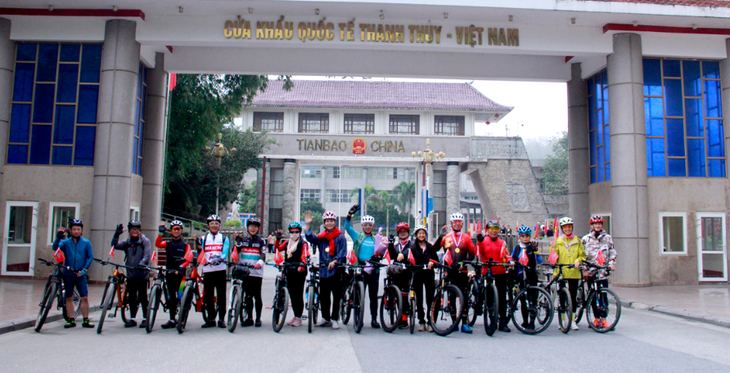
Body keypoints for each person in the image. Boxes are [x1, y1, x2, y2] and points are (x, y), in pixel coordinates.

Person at [344, 204, 387, 328]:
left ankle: (374, 319)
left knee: (373, 296)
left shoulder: (377, 238)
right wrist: (349, 215)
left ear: (373, 226)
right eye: (365, 225)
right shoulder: (358, 236)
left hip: (373, 269)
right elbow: (347, 227)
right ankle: (358, 318)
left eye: (370, 225)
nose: (368, 227)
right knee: (358, 296)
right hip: (360, 268)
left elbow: (382, 251)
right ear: (362, 226)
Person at [433, 212, 476, 333]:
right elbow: (435, 249)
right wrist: (440, 237)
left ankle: (465, 323)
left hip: (462, 271)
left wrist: (465, 263)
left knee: (464, 297)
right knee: (451, 297)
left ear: (462, 224)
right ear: (451, 224)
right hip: (449, 270)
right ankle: (454, 323)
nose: (457, 225)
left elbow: (472, 254)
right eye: (455, 223)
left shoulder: (466, 237)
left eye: (459, 223)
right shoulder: (447, 237)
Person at [304, 210, 347, 329]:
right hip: (324, 269)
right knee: (324, 295)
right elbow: (310, 238)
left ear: (335, 222)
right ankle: (325, 318)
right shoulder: (321, 237)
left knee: (336, 296)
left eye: (331, 221)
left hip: (336, 270)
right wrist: (307, 224)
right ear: (324, 223)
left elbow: (343, 252)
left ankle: (335, 318)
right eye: (327, 221)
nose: (329, 223)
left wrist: (335, 261)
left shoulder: (340, 236)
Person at [52, 219, 94, 328]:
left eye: (78, 229)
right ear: (70, 230)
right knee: (69, 297)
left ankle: (85, 319)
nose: (76, 231)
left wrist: (84, 269)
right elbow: (55, 248)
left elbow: (90, 257)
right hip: (68, 273)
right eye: (74, 229)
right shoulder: (66, 242)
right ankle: (70, 319)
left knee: (84, 297)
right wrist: (58, 237)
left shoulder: (86, 242)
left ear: (81, 231)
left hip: (80, 274)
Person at [111, 220, 152, 328]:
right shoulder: (128, 242)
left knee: (143, 297)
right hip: (131, 274)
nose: (134, 231)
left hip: (142, 274)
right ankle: (132, 318)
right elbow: (114, 246)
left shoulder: (145, 241)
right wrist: (116, 235)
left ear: (139, 230)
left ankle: (145, 318)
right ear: (129, 231)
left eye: (136, 229)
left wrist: (142, 263)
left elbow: (147, 255)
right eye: (132, 229)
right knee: (132, 297)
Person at [476, 220, 515, 333]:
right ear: (487, 230)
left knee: (502, 297)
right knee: (488, 295)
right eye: (491, 229)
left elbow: (507, 255)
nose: (493, 231)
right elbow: (477, 252)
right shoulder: (483, 241)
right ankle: (490, 317)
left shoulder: (502, 242)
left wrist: (510, 261)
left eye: (496, 229)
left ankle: (502, 321)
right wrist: (479, 241)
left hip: (500, 271)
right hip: (487, 271)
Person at [550, 216, 586, 331]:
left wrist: (578, 261)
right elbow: (553, 256)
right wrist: (553, 250)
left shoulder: (577, 241)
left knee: (573, 296)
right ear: (562, 229)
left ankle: (573, 320)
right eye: (565, 227)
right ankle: (562, 320)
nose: (568, 229)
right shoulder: (558, 241)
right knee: (562, 297)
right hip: (562, 271)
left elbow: (582, 255)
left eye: (569, 227)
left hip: (574, 272)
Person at [154, 220, 192, 329]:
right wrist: (160, 233)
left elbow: (188, 259)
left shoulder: (185, 244)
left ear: (181, 231)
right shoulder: (168, 243)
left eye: (178, 229)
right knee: (171, 297)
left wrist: (181, 266)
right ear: (171, 231)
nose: (176, 231)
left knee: (180, 296)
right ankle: (171, 318)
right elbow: (157, 244)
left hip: (181, 274)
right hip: (169, 273)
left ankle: (181, 317)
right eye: (174, 229)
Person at [581, 215, 617, 329]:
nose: (598, 226)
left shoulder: (607, 238)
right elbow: (581, 256)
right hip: (591, 270)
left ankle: (603, 318)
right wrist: (585, 270)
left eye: (600, 224)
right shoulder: (586, 239)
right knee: (592, 295)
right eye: (595, 224)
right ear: (592, 225)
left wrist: (611, 263)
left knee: (603, 295)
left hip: (602, 271)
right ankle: (596, 318)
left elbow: (612, 251)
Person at [272, 222, 310, 327]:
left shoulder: (303, 243)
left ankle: (299, 317)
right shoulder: (287, 243)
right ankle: (295, 315)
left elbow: (305, 255)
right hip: (289, 270)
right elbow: (276, 250)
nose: (294, 234)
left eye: (296, 232)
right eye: (292, 232)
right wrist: (278, 239)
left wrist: (302, 265)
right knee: (292, 295)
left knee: (298, 294)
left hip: (299, 271)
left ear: (300, 232)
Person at [195, 214, 230, 328]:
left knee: (221, 295)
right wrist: (198, 249)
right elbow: (200, 253)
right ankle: (210, 319)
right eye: (212, 224)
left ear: (219, 225)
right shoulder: (203, 238)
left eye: (216, 224)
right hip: (208, 269)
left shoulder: (224, 238)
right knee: (208, 295)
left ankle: (221, 319)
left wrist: (220, 259)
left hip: (220, 269)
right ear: (208, 226)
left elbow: (225, 252)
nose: (214, 226)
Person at [232, 218, 266, 327]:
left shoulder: (261, 241)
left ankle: (258, 318)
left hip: (256, 272)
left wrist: (259, 263)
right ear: (247, 227)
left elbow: (263, 254)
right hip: (245, 272)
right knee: (248, 296)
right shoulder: (243, 239)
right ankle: (250, 318)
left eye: (255, 227)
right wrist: (237, 241)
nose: (253, 228)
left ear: (258, 229)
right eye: (251, 226)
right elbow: (236, 251)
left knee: (257, 295)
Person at [511, 225, 542, 330]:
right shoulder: (517, 248)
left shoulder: (532, 247)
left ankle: (532, 321)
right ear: (520, 237)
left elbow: (539, 261)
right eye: (523, 236)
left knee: (532, 298)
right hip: (520, 276)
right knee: (523, 299)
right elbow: (512, 258)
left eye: (527, 236)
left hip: (531, 275)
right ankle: (525, 320)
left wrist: (536, 252)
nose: (525, 238)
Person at [408, 225, 438, 332]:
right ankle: (421, 321)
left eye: (423, 233)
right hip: (417, 274)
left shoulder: (430, 247)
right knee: (419, 298)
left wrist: (432, 262)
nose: (421, 235)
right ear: (416, 235)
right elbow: (409, 260)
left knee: (430, 298)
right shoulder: (412, 247)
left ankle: (430, 321)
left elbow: (436, 259)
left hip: (429, 274)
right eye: (419, 233)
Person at [387, 222, 413, 328]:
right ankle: (391, 305)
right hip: (396, 273)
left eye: (404, 231)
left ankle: (404, 318)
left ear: (408, 233)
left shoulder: (412, 245)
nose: (403, 233)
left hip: (406, 273)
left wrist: (405, 256)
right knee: (395, 293)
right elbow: (393, 256)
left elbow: (412, 256)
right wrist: (390, 245)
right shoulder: (397, 246)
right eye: (400, 232)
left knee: (404, 295)